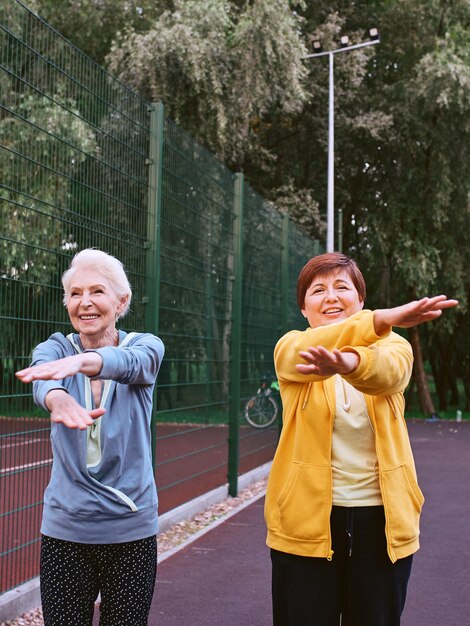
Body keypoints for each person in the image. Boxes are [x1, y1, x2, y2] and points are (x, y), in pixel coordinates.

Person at [264, 252, 458, 626]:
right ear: (304, 308)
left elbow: (388, 374)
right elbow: (297, 354)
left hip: (382, 525)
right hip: (305, 525)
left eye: (342, 287)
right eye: (318, 290)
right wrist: (381, 319)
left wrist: (348, 363)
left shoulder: (393, 347)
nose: (331, 296)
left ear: (360, 300)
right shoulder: (291, 347)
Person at [15, 248, 164, 626]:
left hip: (130, 531)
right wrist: (56, 396)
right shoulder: (57, 349)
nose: (85, 303)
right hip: (67, 531)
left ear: (121, 300)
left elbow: (133, 365)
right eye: (75, 293)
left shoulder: (145, 346)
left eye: (97, 291)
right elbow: (42, 373)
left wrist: (89, 362)